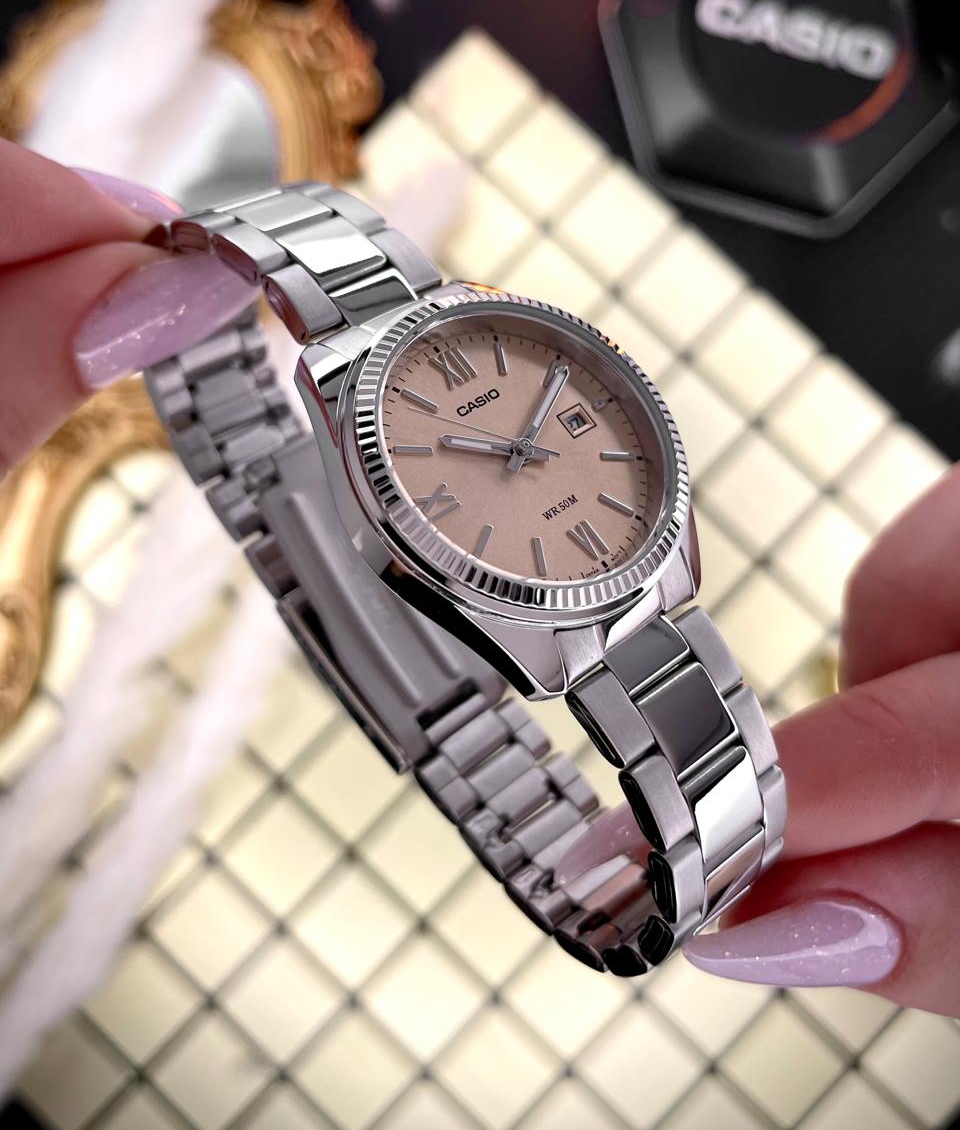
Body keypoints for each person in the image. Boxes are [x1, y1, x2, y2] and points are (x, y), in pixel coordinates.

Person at [1, 138, 956, 1015]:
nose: (520, 453)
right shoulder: (319, 478)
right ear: (366, 531)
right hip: (554, 569)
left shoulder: (522, 381)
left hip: (634, 555)